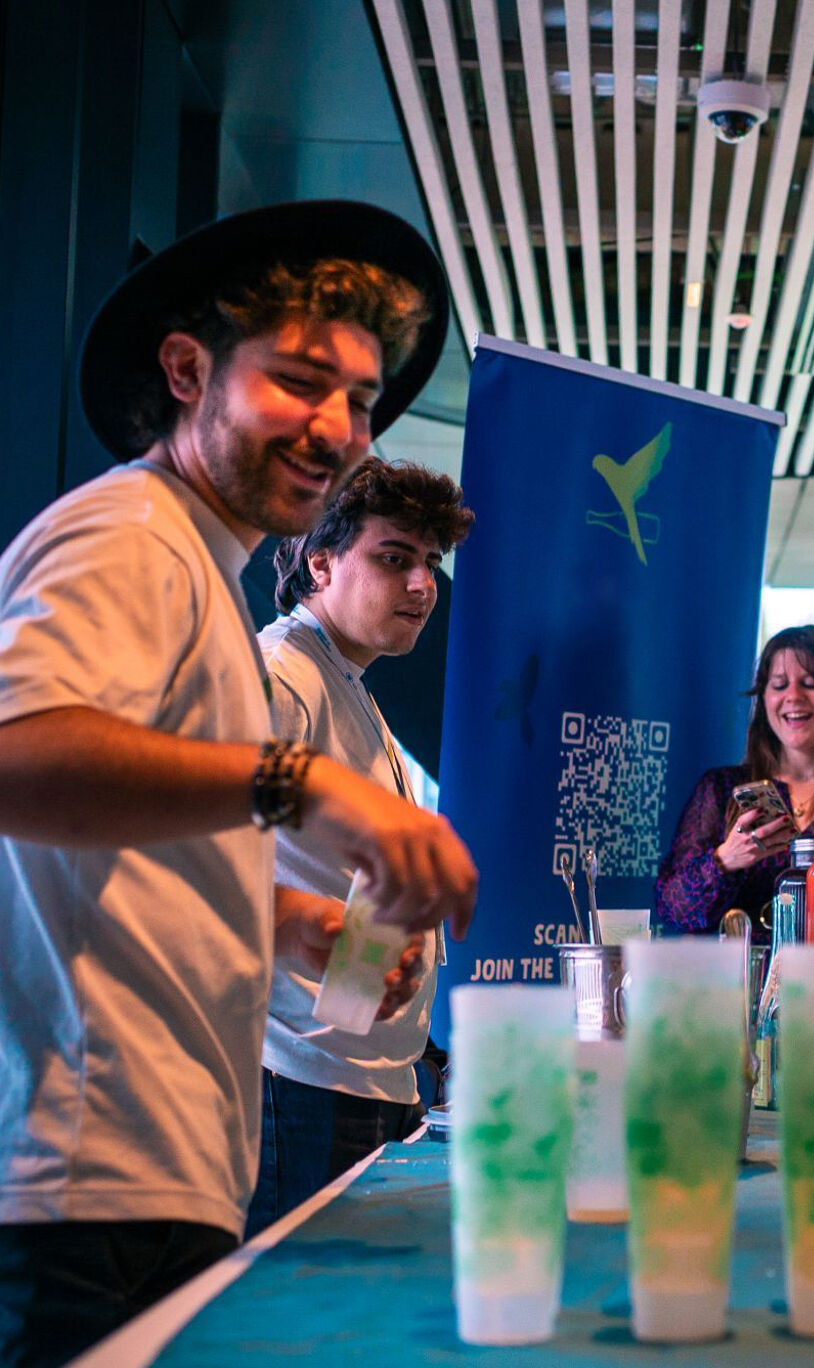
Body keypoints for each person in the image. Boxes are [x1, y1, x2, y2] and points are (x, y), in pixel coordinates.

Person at [0, 200, 479, 1366]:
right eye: (302, 380)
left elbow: (113, 846)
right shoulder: (130, 534)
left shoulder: (201, 577)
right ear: (185, 369)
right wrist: (299, 781)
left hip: (165, 1169)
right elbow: (15, 759)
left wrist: (286, 920)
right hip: (85, 1180)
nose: (337, 427)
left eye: (361, 400)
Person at [245, 456, 473, 1237]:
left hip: (365, 1076)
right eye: (393, 557)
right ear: (320, 561)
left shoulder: (342, 680)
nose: (422, 585)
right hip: (301, 1080)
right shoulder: (283, 672)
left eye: (429, 564)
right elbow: (199, 856)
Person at [656, 624, 814, 934]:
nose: (793, 696)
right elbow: (672, 910)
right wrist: (725, 860)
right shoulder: (721, 789)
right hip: (740, 979)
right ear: (762, 698)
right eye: (779, 685)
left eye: (811, 683)